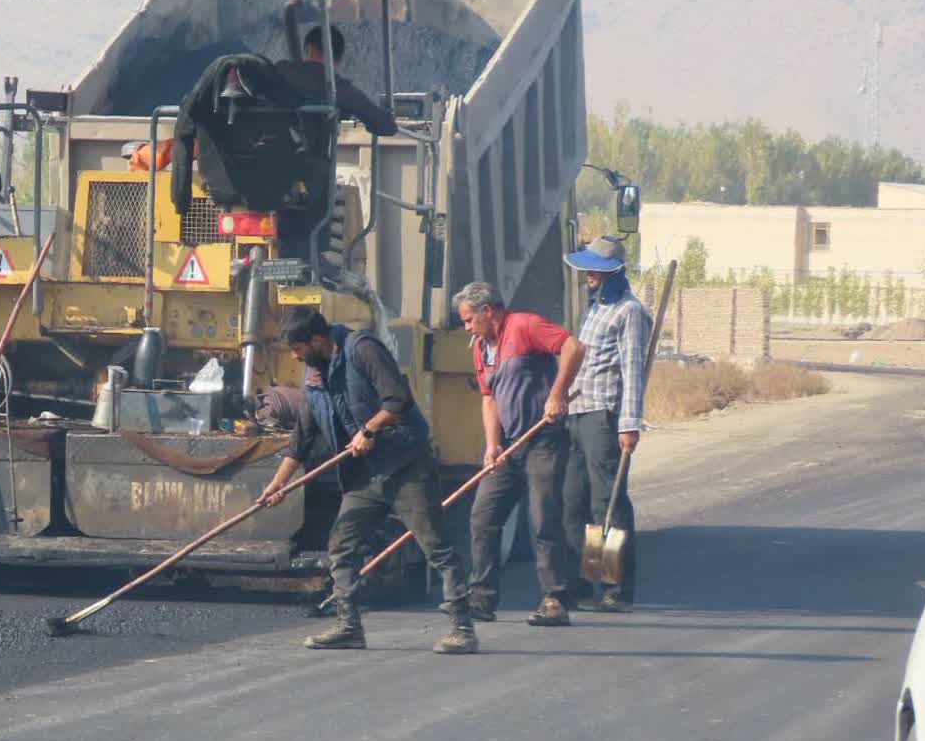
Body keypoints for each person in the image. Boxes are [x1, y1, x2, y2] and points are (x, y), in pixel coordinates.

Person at [258, 307, 479, 655]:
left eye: (299, 349)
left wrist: (370, 428)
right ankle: (349, 627)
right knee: (341, 546)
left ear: (317, 339)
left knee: (436, 546)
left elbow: (398, 400)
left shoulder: (362, 349)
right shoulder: (314, 378)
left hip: (405, 466)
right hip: (364, 478)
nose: (296, 356)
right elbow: (300, 441)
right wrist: (278, 485)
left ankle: (462, 628)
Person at [455, 281, 584, 627]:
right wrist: (492, 445)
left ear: (488, 311)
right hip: (509, 445)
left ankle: (555, 599)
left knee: (542, 518)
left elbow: (573, 347)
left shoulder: (525, 325)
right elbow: (488, 398)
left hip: (543, 438)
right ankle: (480, 598)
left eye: (469, 320)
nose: (467, 327)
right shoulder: (481, 348)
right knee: (484, 515)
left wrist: (558, 394)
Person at [563, 235, 652, 613]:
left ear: (613, 272)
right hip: (576, 413)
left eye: (595, 270)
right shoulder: (595, 307)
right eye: (586, 269)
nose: (588, 276)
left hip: (605, 416)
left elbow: (632, 372)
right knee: (574, 502)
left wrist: (629, 424)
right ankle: (585, 581)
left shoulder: (630, 312)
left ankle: (616, 586)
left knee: (608, 505)